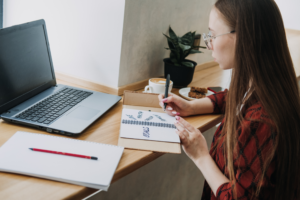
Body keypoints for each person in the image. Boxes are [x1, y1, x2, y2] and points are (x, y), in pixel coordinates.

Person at [158, 0, 300, 199]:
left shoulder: (260, 123)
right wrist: (191, 107)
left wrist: (200, 155)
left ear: (244, 37)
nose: (209, 44)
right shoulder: (266, 87)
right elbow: (234, 98)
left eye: (213, 35)